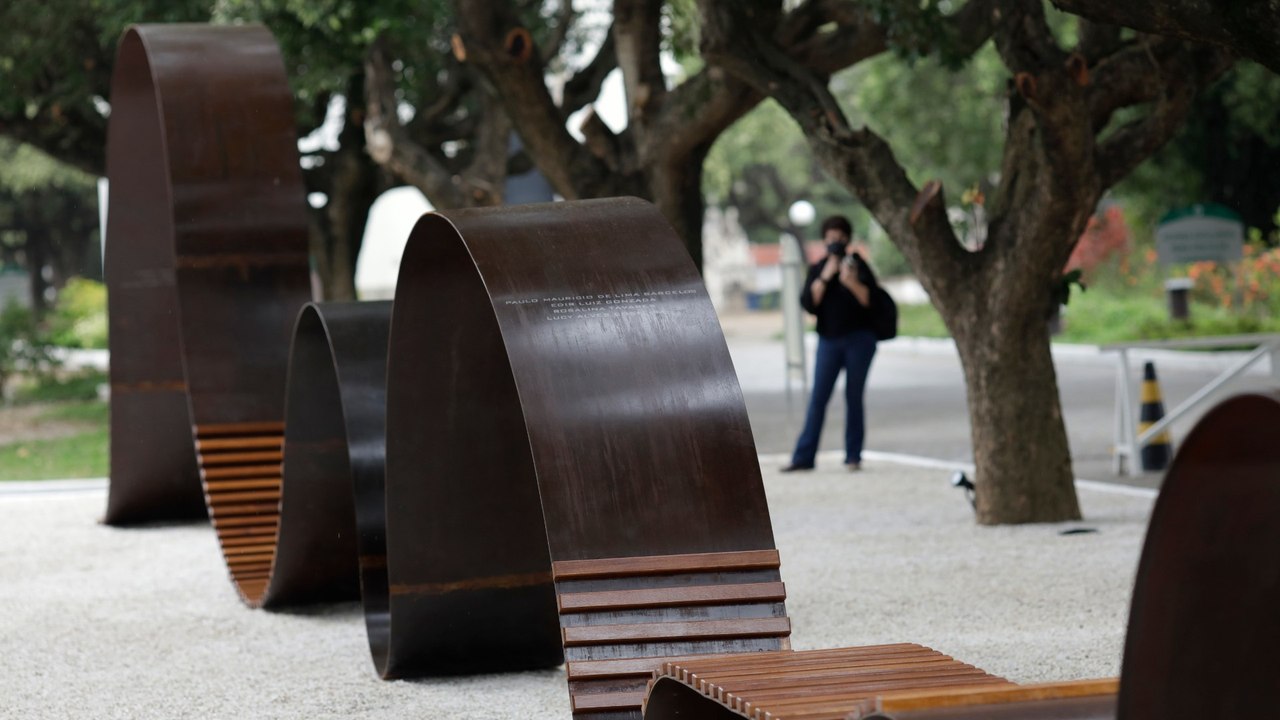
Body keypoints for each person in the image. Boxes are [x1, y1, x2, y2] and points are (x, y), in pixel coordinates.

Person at [781, 215, 879, 472]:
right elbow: (809, 304)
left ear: (848, 239)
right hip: (829, 341)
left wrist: (851, 281)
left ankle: (853, 456)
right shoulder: (818, 268)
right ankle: (804, 457)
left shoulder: (858, 266)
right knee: (818, 398)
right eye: (831, 238)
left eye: (841, 238)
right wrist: (826, 275)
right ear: (824, 240)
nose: (836, 242)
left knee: (854, 396)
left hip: (859, 340)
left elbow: (871, 301)